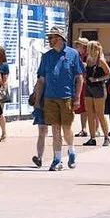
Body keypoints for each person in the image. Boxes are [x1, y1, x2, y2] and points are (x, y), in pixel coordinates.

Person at [37, 26, 84, 171]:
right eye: (49, 37)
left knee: (66, 128)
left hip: (66, 97)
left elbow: (79, 78)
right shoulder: (46, 56)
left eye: (51, 37)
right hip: (50, 97)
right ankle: (57, 159)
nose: (49, 40)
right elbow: (41, 79)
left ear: (59, 39)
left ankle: (71, 150)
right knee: (55, 129)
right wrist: (38, 99)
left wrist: (77, 98)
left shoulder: (73, 54)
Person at [83, 40, 110, 146]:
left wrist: (97, 79)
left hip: (99, 88)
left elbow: (109, 74)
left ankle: (106, 137)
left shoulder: (101, 61)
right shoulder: (88, 59)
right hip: (89, 88)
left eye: (89, 48)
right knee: (89, 113)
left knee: (100, 113)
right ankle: (92, 137)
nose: (87, 50)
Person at [73, 37, 91, 138]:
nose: (77, 47)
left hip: (89, 84)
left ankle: (95, 129)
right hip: (82, 84)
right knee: (83, 108)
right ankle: (84, 128)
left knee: (92, 108)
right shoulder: (78, 56)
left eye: (78, 45)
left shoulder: (89, 56)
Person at [30, 78, 49, 168]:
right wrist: (36, 100)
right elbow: (37, 85)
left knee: (57, 131)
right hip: (41, 105)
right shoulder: (43, 70)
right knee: (42, 132)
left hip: (55, 102)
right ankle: (39, 158)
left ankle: (58, 158)